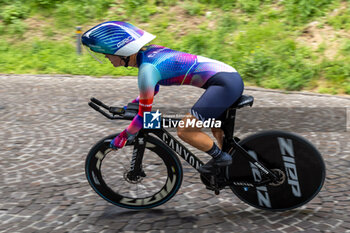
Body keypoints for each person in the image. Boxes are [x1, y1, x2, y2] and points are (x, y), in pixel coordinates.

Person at [81, 21, 244, 173]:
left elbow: (143, 117)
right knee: (215, 124)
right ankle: (230, 160)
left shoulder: (147, 70)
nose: (106, 58)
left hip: (224, 85)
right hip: (227, 77)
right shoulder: (150, 52)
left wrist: (123, 137)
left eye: (107, 54)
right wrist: (134, 104)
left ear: (121, 52)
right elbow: (154, 87)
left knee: (185, 130)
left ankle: (221, 158)